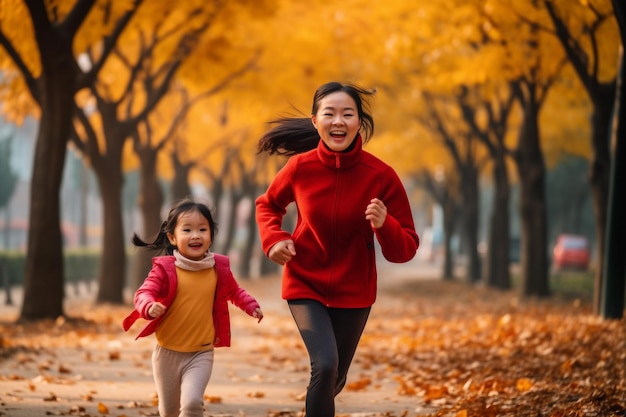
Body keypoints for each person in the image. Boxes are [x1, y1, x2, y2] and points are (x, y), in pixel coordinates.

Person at [255, 81, 419, 416]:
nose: (338, 121)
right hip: (305, 283)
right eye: (329, 114)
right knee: (325, 365)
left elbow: (405, 248)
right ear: (316, 121)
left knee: (335, 377)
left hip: (354, 290)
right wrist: (274, 239)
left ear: (360, 122)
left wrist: (384, 223)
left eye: (348, 114)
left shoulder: (381, 176)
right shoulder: (300, 168)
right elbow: (268, 205)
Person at [122, 198, 263, 417]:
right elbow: (144, 292)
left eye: (202, 229)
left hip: (201, 353)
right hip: (167, 353)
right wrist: (148, 306)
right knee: (168, 411)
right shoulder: (165, 268)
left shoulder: (218, 267)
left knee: (192, 405)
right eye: (187, 229)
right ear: (172, 237)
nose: (195, 235)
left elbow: (234, 291)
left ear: (211, 236)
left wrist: (251, 305)